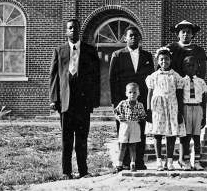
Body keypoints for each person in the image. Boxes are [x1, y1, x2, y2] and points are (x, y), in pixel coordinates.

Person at [49, 18, 100, 179]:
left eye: (76, 28)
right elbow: (54, 77)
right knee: (66, 139)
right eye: (70, 28)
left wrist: (94, 100)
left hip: (83, 103)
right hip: (65, 102)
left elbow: (96, 77)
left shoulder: (90, 51)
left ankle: (83, 171)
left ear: (80, 31)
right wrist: (53, 99)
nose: (73, 30)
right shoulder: (59, 50)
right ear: (66, 31)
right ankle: (66, 172)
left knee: (82, 139)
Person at [109, 26, 155, 170]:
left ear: (140, 38)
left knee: (140, 132)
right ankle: (124, 162)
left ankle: (139, 161)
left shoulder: (147, 56)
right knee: (123, 132)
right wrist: (115, 102)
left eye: (136, 35)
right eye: (131, 35)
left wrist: (149, 102)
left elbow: (151, 80)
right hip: (124, 102)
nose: (133, 37)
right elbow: (112, 79)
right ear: (125, 38)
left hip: (140, 101)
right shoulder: (118, 55)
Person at [146, 47, 185, 171]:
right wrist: (149, 110)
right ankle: (159, 161)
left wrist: (179, 111)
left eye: (167, 59)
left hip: (172, 106)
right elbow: (150, 93)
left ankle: (169, 161)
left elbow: (179, 95)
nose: (164, 62)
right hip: (157, 107)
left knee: (171, 134)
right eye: (161, 60)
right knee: (157, 134)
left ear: (170, 60)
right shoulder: (153, 76)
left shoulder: (176, 76)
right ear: (158, 61)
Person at [179, 56, 207, 170]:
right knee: (186, 137)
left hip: (198, 108)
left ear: (197, 67)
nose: (191, 67)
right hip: (186, 108)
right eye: (188, 65)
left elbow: (204, 99)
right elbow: (179, 98)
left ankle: (196, 161)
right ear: (184, 67)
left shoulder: (201, 82)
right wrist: (181, 113)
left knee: (196, 136)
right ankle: (186, 161)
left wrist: (204, 114)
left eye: (193, 65)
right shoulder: (181, 81)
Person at [113, 82, 146, 172]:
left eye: (135, 92)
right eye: (130, 92)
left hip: (134, 125)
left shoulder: (140, 105)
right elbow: (115, 112)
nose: (132, 95)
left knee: (133, 146)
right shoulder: (123, 103)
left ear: (138, 93)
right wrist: (118, 118)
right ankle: (119, 164)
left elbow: (143, 116)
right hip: (125, 125)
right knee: (122, 145)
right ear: (126, 93)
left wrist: (138, 119)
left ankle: (133, 164)